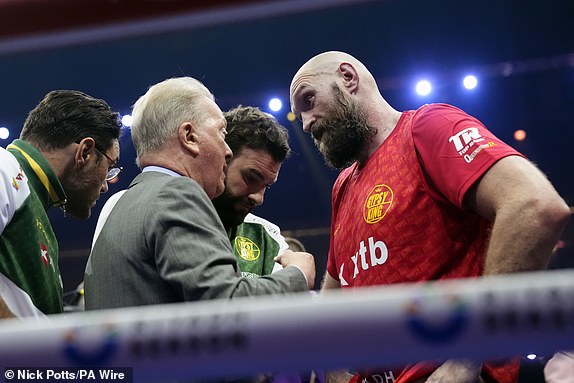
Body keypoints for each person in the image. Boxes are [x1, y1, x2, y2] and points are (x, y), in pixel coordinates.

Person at [289, 51, 571, 383]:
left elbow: (534, 205)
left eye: (308, 100)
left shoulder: (425, 128)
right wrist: (332, 367)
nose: (306, 124)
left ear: (348, 78)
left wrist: (468, 355)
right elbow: (337, 284)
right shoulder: (343, 186)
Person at [84, 77, 315, 311]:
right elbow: (226, 304)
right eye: (222, 134)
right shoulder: (178, 194)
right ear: (189, 137)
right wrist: (297, 274)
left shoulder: (122, 204)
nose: (226, 151)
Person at [0, 90, 122, 318]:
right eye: (109, 166)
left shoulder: (34, 203)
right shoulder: (5, 167)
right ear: (85, 152)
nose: (105, 186)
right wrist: (22, 351)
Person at [212, 105, 292, 279]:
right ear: (222, 159)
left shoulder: (267, 238)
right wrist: (297, 274)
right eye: (251, 178)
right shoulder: (172, 219)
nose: (258, 198)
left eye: (267, 186)